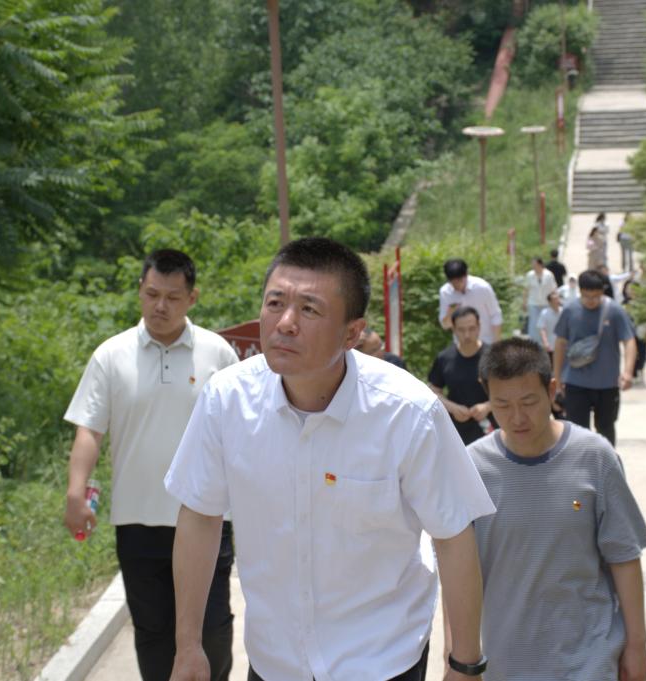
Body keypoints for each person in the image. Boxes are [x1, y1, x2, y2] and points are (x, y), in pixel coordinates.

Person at [165, 237, 496, 681]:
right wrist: (188, 645)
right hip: (275, 661)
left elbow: (453, 536)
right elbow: (200, 515)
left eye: (309, 310)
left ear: (352, 333)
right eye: (275, 303)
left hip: (382, 660)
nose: (285, 323)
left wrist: (466, 664)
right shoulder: (226, 401)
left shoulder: (407, 412)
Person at [63, 249, 239, 681]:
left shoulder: (218, 354)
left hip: (207, 517)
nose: (160, 306)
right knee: (154, 634)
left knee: (212, 633)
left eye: (173, 298)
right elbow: (90, 429)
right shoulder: (111, 355)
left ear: (192, 298)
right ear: (140, 291)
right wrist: (75, 491)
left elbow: (242, 432)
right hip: (138, 521)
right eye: (152, 294)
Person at [468, 338, 646, 681]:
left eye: (529, 402)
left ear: (552, 390)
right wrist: (459, 659)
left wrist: (637, 644)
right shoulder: (472, 469)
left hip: (590, 658)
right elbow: (459, 574)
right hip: (507, 661)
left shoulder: (595, 457)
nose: (517, 417)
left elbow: (624, 556)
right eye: (502, 405)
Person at [552, 270, 637, 447]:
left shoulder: (614, 311)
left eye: (596, 296)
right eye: (586, 296)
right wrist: (557, 378)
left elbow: (629, 340)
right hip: (576, 382)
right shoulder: (570, 310)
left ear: (603, 291)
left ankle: (606, 462)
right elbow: (560, 344)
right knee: (576, 431)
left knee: (605, 429)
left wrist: (628, 372)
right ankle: (579, 464)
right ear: (580, 291)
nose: (591, 301)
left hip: (607, 384)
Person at [428, 307, 497, 445]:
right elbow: (433, 391)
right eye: (461, 330)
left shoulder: (494, 355)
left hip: (492, 427)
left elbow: (511, 390)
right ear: (454, 330)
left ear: (479, 327)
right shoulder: (444, 358)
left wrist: (488, 406)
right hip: (455, 431)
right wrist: (452, 407)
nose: (467, 335)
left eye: (472, 329)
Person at [439, 258, 503, 345]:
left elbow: (495, 314)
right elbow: (445, 325)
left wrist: (497, 342)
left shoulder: (482, 287)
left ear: (466, 275)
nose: (457, 286)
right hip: (462, 345)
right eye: (453, 283)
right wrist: (450, 313)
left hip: (486, 341)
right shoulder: (445, 292)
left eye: (460, 281)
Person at [522, 258, 557, 345]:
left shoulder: (549, 275)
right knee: (534, 324)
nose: (533, 266)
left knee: (545, 323)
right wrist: (524, 302)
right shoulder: (530, 275)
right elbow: (526, 289)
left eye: (535, 265)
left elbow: (553, 289)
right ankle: (533, 343)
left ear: (540, 264)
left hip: (546, 303)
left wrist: (554, 302)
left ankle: (546, 343)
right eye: (532, 265)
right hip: (533, 303)